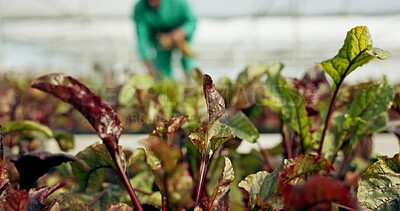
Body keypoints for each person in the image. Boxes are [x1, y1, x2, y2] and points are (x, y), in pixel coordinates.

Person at [133, 0, 197, 80]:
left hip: (182, 38)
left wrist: (181, 32)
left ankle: (195, 85)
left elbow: (192, 21)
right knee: (162, 73)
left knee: (189, 65)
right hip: (160, 41)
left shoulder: (179, 3)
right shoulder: (140, 7)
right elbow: (142, 39)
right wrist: (148, 64)